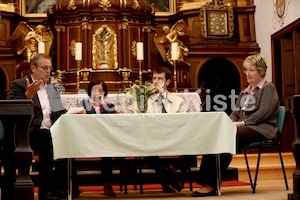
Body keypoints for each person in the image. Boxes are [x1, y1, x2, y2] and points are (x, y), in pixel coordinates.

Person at [191, 53, 279, 197]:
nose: (247, 73)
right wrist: (229, 123)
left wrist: (242, 123)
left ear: (261, 71)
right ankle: (208, 182)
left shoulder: (268, 88)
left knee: (228, 136)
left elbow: (264, 112)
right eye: (246, 70)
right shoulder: (245, 91)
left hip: (263, 128)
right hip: (244, 127)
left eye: (251, 70)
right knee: (217, 136)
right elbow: (235, 112)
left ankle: (211, 184)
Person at [9, 53, 85, 200]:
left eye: (50, 68)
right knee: (48, 139)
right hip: (28, 132)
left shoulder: (51, 88)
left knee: (66, 139)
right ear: (33, 68)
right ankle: (45, 191)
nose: (48, 71)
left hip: (49, 131)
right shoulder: (19, 84)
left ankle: (65, 188)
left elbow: (59, 112)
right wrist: (28, 96)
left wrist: (74, 112)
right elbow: (14, 111)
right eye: (44, 68)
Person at [145, 66, 195, 193]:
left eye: (160, 79)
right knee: (144, 144)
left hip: (174, 136)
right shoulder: (145, 100)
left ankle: (168, 173)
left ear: (167, 82)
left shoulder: (178, 101)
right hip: (152, 137)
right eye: (154, 79)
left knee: (195, 146)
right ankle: (167, 178)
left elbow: (183, 122)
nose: (156, 82)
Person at [78, 79, 116, 196]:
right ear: (90, 91)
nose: (97, 93)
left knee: (107, 151)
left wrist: (102, 104)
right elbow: (90, 118)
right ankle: (75, 184)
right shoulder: (84, 103)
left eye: (101, 90)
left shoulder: (109, 105)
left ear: (104, 92)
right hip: (88, 137)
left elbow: (108, 120)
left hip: (104, 138)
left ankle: (107, 183)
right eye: (94, 90)